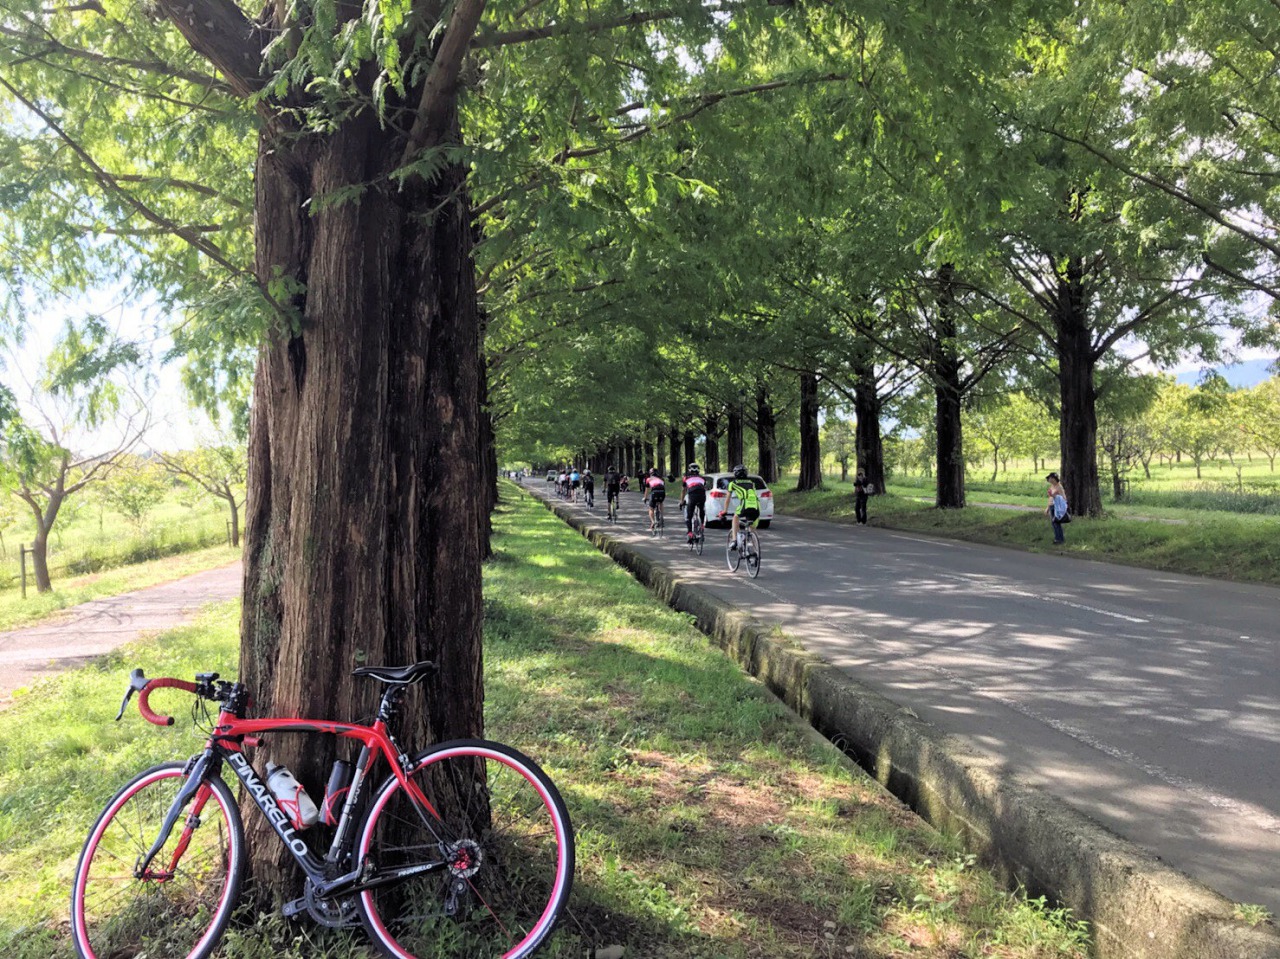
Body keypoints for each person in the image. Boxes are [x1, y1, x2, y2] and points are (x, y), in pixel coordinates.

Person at [725, 464, 760, 550]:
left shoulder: (732, 483)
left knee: (735, 517)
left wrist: (724, 511)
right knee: (752, 529)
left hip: (745, 505)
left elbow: (727, 499)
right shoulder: (752, 483)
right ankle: (756, 552)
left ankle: (734, 541)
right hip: (756, 507)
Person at [679, 462, 708, 542]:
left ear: (689, 470)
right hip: (702, 495)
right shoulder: (702, 478)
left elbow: (683, 490)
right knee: (701, 509)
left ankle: (690, 533)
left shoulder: (686, 478)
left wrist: (681, 501)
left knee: (689, 516)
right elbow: (704, 486)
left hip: (692, 495)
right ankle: (702, 525)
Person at [1046, 472, 1069, 544]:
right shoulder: (1051, 487)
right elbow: (1050, 498)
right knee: (1054, 523)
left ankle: (1060, 539)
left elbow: (1064, 498)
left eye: (1050, 478)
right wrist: (1047, 508)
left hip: (1057, 507)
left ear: (1053, 478)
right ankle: (1057, 538)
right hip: (1051, 506)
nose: (1049, 480)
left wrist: (1056, 496)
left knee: (1056, 522)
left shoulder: (1059, 487)